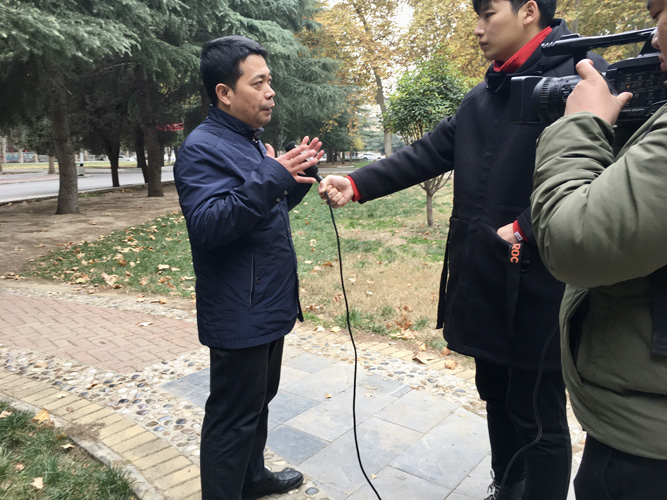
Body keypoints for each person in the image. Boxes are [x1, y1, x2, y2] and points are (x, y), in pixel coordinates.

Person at [319, 1, 606, 498]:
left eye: (487, 14)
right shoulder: (485, 95)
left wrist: (527, 228)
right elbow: (428, 151)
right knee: (494, 394)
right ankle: (507, 486)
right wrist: (357, 182)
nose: (477, 29)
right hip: (484, 277)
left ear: (529, 11)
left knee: (537, 417)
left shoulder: (581, 81)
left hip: (541, 285)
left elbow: (601, 175)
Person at [173, 35, 323, 500]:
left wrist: (293, 181)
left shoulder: (249, 143)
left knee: (259, 401)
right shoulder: (201, 148)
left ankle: (252, 478)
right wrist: (272, 176)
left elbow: (257, 212)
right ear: (224, 92)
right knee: (232, 417)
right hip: (239, 309)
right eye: (258, 83)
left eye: (269, 81)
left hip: (267, 302)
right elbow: (209, 225)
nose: (270, 92)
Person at [531, 2, 667, 497]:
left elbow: (574, 241)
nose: (654, 37)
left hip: (646, 452)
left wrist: (582, 123)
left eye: (661, 12)